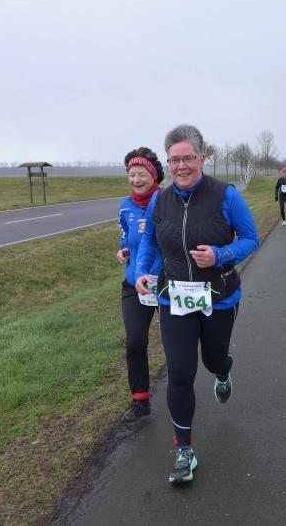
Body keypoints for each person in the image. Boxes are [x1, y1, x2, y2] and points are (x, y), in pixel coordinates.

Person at [134, 124, 259, 484]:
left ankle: (223, 370)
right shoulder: (160, 200)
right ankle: (184, 450)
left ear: (202, 159)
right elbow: (150, 242)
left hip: (218, 298)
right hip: (174, 298)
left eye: (188, 158)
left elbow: (250, 238)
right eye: (174, 160)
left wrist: (220, 254)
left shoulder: (226, 196)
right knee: (180, 372)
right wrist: (141, 272)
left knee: (212, 359)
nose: (181, 166)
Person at [116, 147, 164, 423]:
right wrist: (123, 250)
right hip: (134, 285)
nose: (136, 179)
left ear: (154, 175)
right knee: (135, 342)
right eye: (131, 174)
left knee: (175, 344)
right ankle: (140, 402)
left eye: (141, 174)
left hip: (166, 283)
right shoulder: (125, 206)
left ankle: (180, 394)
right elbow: (126, 237)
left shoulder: (167, 201)